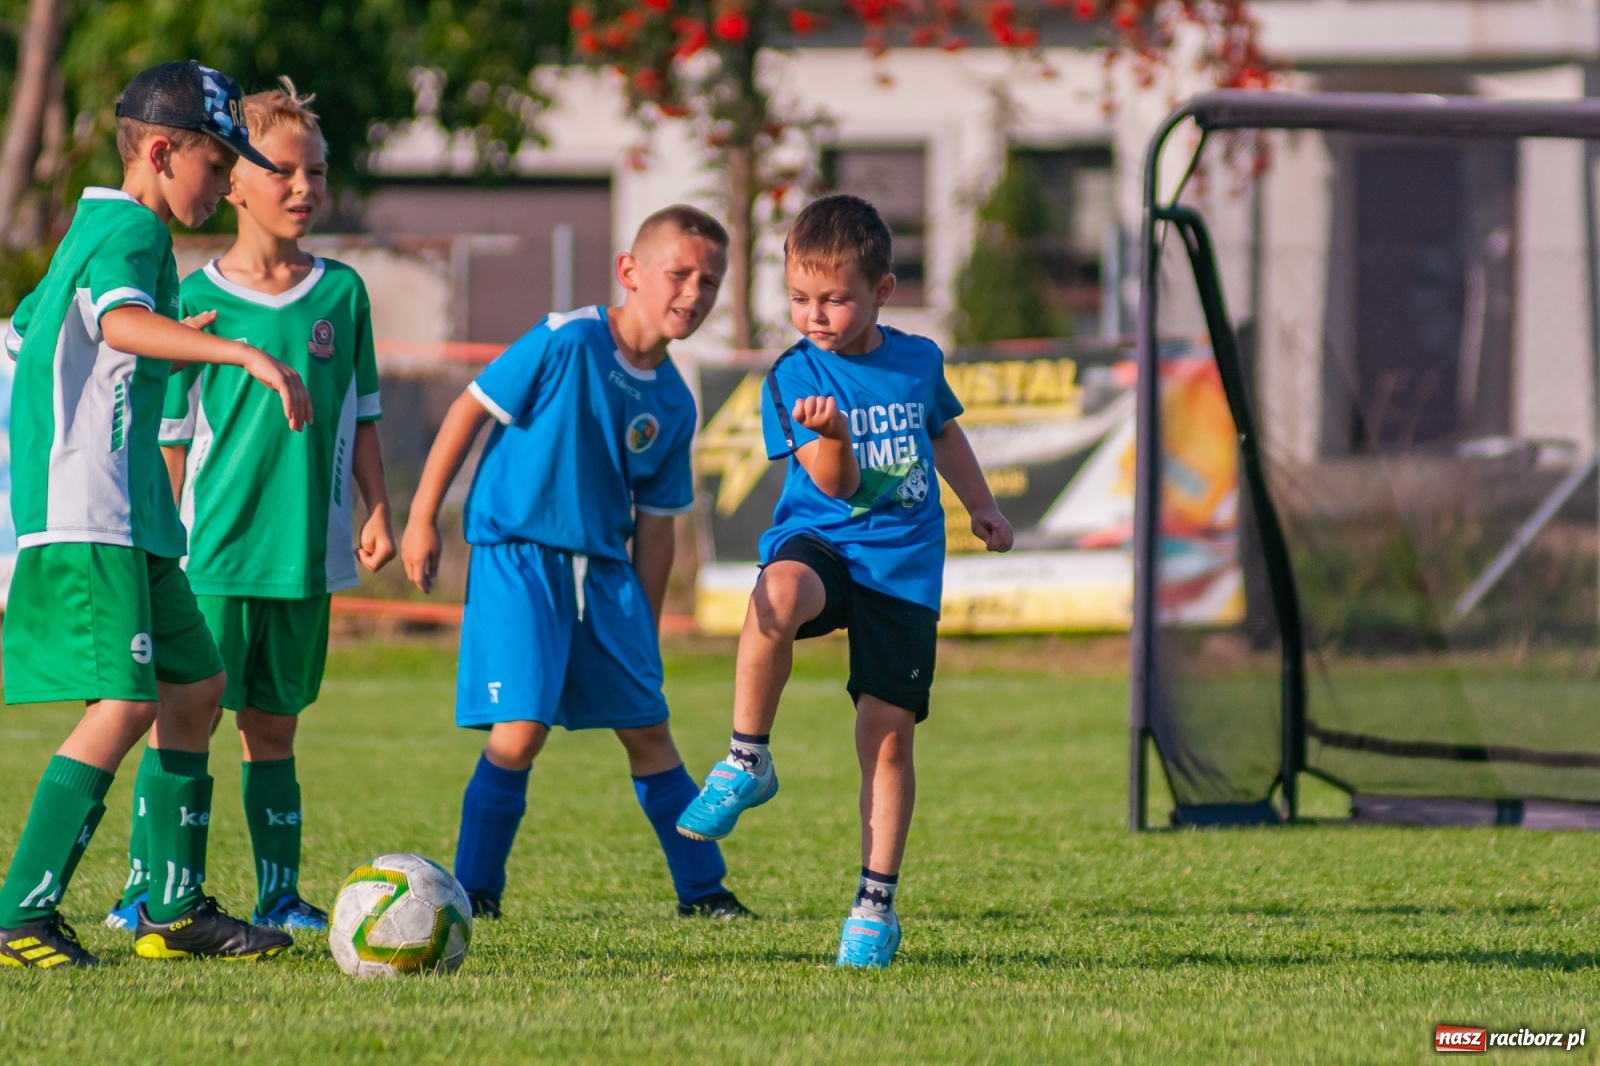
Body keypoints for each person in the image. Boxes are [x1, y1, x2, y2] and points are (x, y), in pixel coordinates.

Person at [0, 60, 313, 968]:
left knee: (197, 689)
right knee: (126, 703)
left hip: (137, 520)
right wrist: (240, 357)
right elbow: (120, 327)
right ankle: (21, 915)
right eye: (218, 166)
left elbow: (30, 329)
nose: (226, 185)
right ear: (164, 151)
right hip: (89, 509)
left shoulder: (97, 232)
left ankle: (172, 908)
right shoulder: (131, 231)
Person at [675, 193, 1014, 968]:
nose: (815, 314)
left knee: (886, 741)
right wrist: (830, 435)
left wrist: (984, 505)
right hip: (823, 539)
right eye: (799, 298)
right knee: (777, 595)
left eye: (834, 298)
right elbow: (832, 488)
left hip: (903, 565)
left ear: (882, 293)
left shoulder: (919, 359)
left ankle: (874, 906)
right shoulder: (793, 377)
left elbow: (944, 429)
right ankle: (747, 757)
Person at [400, 205, 752, 921]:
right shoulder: (568, 337)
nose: (693, 293)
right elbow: (471, 409)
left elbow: (658, 528)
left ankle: (705, 892)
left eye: (709, 282)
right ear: (630, 271)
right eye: (678, 273)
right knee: (521, 729)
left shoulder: (676, 402)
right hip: (519, 554)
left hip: (606, 574)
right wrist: (421, 518)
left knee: (648, 728)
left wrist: (643, 631)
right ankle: (477, 892)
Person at [104, 79, 395, 935]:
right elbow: (170, 438)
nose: (304, 188)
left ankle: (279, 895)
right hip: (211, 558)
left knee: (273, 728)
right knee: (178, 724)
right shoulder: (197, 302)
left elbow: (364, 417)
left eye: (317, 173)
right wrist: (152, 543)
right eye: (285, 172)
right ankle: (149, 890)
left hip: (304, 556)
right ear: (233, 181)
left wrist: (378, 508)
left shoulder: (343, 294)